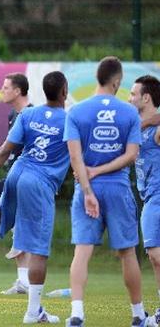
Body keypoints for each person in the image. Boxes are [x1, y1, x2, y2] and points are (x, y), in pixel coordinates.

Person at [65, 56, 151, 327]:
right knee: (127, 252)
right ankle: (138, 314)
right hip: (118, 188)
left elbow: (75, 158)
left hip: (86, 188)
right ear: (117, 81)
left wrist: (88, 187)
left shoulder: (76, 112)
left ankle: (77, 313)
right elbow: (131, 154)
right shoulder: (128, 113)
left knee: (82, 251)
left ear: (97, 78)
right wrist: (102, 172)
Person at [0, 71, 70, 323]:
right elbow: (77, 157)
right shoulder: (69, 120)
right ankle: (33, 312)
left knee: (1, 227)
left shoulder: (28, 114)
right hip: (39, 183)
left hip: (16, 173)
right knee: (38, 250)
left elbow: (4, 150)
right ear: (64, 92)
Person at [0, 73, 32, 295]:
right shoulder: (12, 114)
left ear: (17, 91)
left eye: (6, 87)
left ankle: (30, 281)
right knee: (16, 228)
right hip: (13, 176)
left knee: (25, 228)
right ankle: (23, 280)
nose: (2, 91)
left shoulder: (31, 113)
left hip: (29, 178)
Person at [129, 75, 160, 326]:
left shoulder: (156, 129)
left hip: (158, 199)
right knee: (154, 256)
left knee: (155, 254)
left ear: (146, 97)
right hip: (149, 197)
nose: (129, 98)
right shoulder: (134, 126)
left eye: (132, 93)